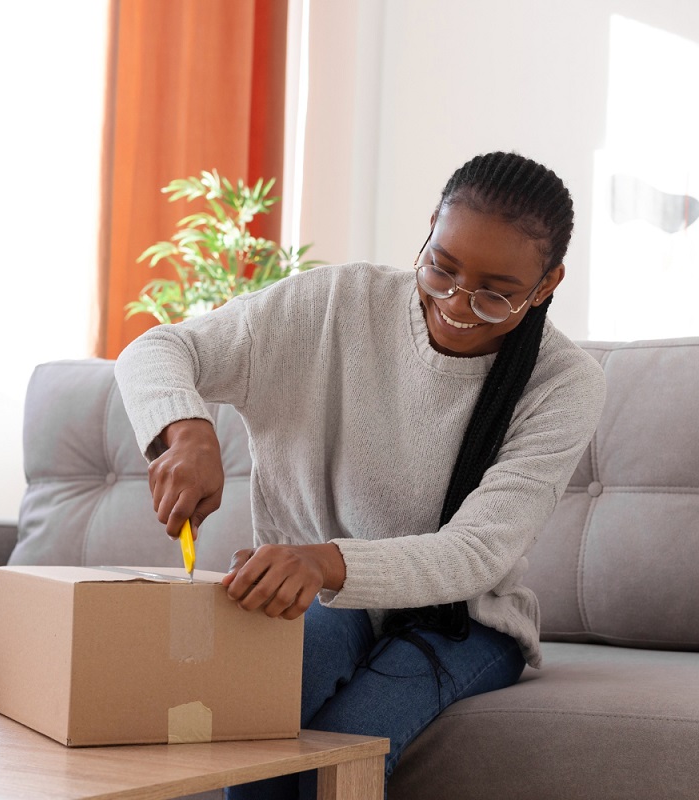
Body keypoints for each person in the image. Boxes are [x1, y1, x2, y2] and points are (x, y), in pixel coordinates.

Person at [114, 150, 606, 798]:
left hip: (460, 620)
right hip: (317, 602)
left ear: (546, 285)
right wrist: (187, 429)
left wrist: (322, 562)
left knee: (342, 749)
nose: (457, 303)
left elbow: (479, 550)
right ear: (429, 227)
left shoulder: (562, 383)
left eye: (496, 294)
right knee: (253, 732)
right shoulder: (333, 305)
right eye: (442, 267)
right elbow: (158, 348)